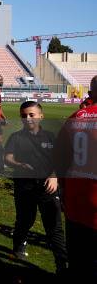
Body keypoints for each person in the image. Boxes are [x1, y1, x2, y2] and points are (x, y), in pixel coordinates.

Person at [4, 102, 67, 275]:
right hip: (24, 187)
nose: (28, 118)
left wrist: (54, 176)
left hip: (48, 187)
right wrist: (18, 164)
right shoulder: (16, 137)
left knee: (54, 227)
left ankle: (62, 265)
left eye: (32, 114)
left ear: (41, 116)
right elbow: (8, 157)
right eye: (24, 115)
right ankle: (18, 245)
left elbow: (61, 160)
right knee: (25, 220)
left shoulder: (50, 137)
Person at [54, 75, 97, 280]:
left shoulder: (75, 117)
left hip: (76, 200)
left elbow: (60, 158)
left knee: (79, 261)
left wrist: (62, 189)